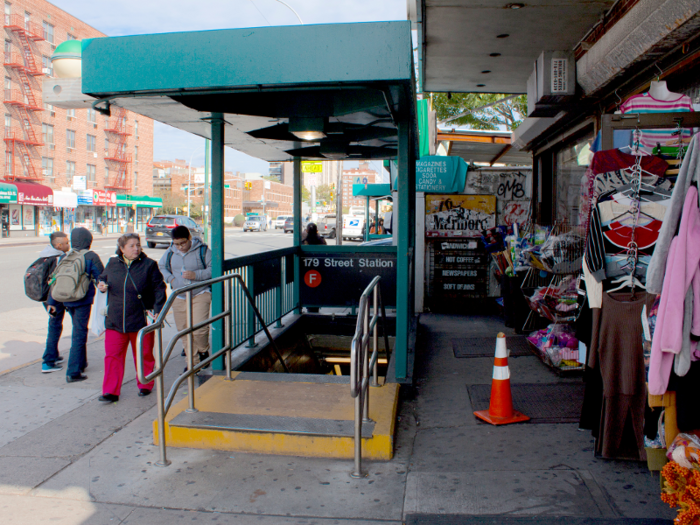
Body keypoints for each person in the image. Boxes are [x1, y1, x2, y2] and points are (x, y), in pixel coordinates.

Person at [97, 233, 166, 402]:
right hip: (115, 319)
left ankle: (145, 383)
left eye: (138, 245)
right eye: (131, 246)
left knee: (144, 354)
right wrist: (100, 284)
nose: (136, 249)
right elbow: (102, 278)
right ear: (122, 249)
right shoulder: (113, 263)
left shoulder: (149, 265)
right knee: (112, 356)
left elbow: (159, 288)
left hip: (140, 319)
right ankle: (110, 391)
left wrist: (157, 309)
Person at [47, 227, 104, 383]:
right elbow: (102, 277)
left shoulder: (66, 256)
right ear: (89, 240)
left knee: (78, 330)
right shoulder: (91, 256)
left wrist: (52, 302)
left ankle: (81, 363)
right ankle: (73, 372)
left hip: (65, 299)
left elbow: (55, 280)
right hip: (82, 299)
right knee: (79, 333)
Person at [158, 226, 212, 374]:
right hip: (180, 294)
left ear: (189, 238)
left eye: (183, 243)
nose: (180, 247)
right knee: (184, 330)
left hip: (200, 292)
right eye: (176, 244)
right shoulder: (170, 251)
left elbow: (214, 268)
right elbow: (162, 266)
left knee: (199, 328)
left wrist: (196, 275)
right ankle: (192, 364)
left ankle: (203, 350)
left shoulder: (202, 250)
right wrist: (171, 279)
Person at [40, 232, 70, 373]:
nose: (68, 245)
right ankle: (48, 361)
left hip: (46, 297)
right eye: (66, 242)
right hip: (54, 298)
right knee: (55, 326)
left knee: (54, 325)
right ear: (58, 245)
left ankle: (54, 355)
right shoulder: (59, 258)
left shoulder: (45, 254)